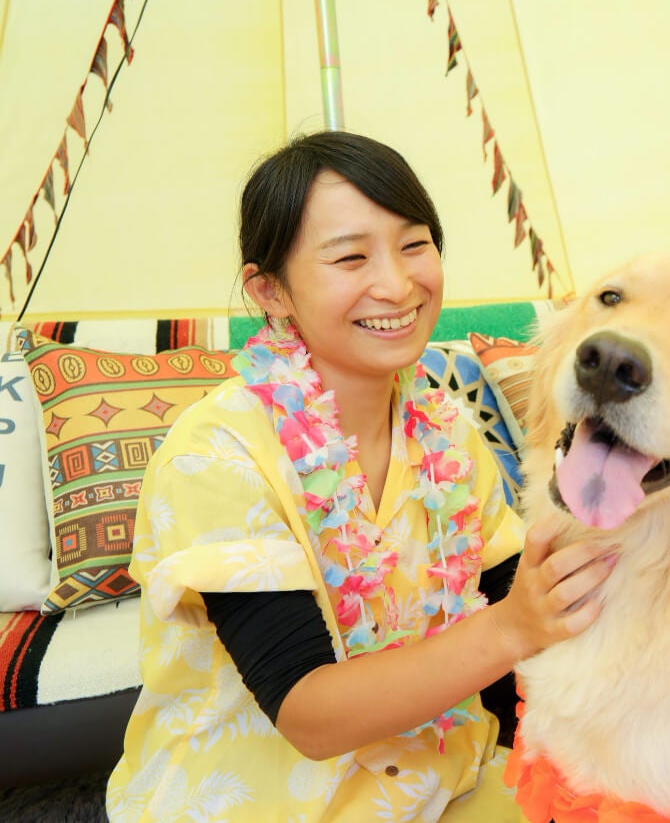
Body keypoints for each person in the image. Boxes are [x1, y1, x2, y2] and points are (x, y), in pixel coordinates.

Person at [107, 131, 616, 821]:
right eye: (351, 257)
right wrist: (514, 627)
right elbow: (307, 714)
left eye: (414, 245)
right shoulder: (218, 454)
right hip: (261, 801)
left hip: (444, 776)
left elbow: (508, 603)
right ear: (270, 290)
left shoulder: (448, 431)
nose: (398, 284)